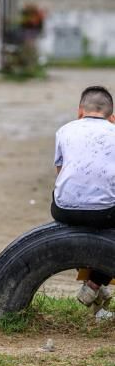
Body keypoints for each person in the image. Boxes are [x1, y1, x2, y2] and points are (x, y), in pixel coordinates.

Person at [51, 85, 115, 320]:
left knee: (81, 227)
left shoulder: (64, 131)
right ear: (113, 117)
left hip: (63, 210)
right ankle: (96, 283)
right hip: (106, 212)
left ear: (79, 113)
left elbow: (61, 173)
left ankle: (97, 287)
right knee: (105, 223)